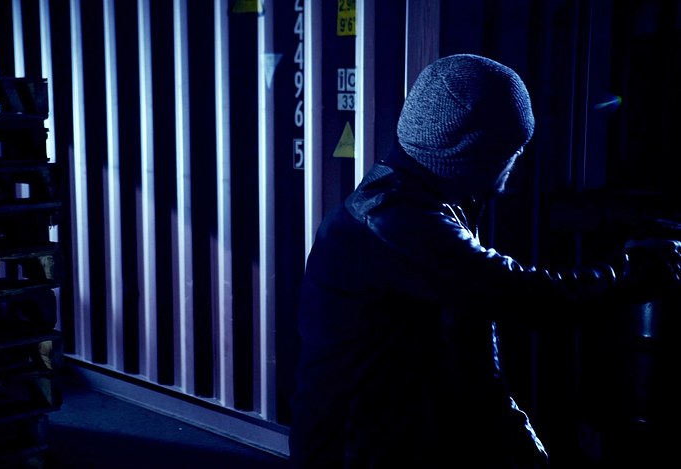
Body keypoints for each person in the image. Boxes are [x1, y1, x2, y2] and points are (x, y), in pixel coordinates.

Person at [288, 53, 681, 468]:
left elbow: (469, 350)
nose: (516, 163)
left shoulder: (420, 205)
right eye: (511, 150)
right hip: (358, 455)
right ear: (475, 152)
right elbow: (519, 295)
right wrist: (631, 272)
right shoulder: (394, 220)